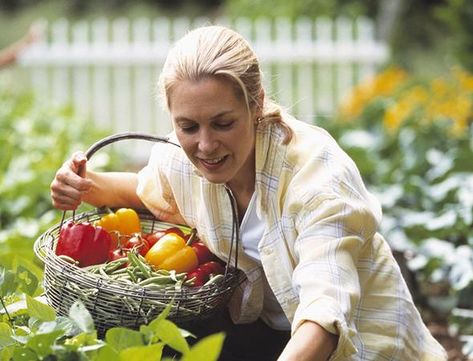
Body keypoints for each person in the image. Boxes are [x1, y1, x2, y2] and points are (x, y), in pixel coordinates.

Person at [50, 25, 447, 361]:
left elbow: (325, 312)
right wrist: (86, 184)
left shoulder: (317, 177)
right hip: (272, 332)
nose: (205, 146)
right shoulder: (182, 158)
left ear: (255, 104)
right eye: (188, 127)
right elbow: (146, 188)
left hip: (360, 345)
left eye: (222, 123)